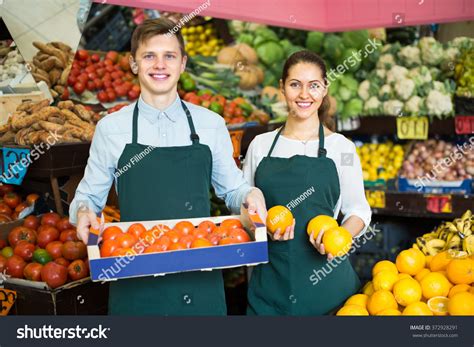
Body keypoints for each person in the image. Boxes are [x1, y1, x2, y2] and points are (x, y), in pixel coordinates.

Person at [69, 18, 266, 316]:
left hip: (200, 273)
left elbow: (233, 190)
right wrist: (83, 212)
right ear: (134, 64)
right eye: (149, 55)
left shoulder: (210, 124)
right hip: (134, 275)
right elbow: (88, 199)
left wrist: (250, 195)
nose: (159, 64)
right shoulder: (111, 129)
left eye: (169, 56)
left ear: (183, 63)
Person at [243, 50, 372, 315]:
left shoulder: (342, 148)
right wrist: (260, 224)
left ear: (325, 89)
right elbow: (243, 209)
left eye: (313, 85)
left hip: (329, 287)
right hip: (270, 288)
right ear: (282, 88)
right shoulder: (260, 145)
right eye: (295, 85)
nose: (304, 95)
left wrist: (341, 235)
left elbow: (359, 210)